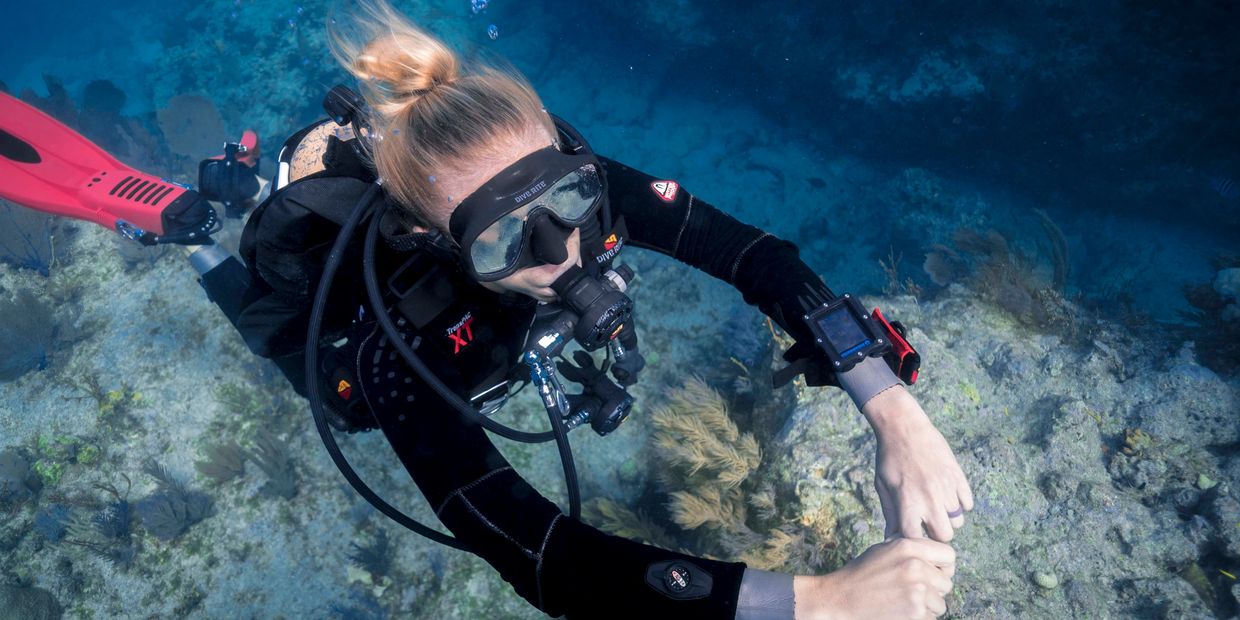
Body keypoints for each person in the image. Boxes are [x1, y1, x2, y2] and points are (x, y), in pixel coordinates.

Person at [0, 1, 972, 617]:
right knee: (308, 366)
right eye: (511, 240)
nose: (566, 253)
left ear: (574, 167)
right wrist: (809, 601)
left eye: (572, 207)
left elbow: (760, 255)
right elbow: (537, 553)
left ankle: (318, 151)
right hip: (346, 334)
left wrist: (887, 401)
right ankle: (197, 221)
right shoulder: (401, 334)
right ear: (439, 243)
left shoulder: (582, 190)